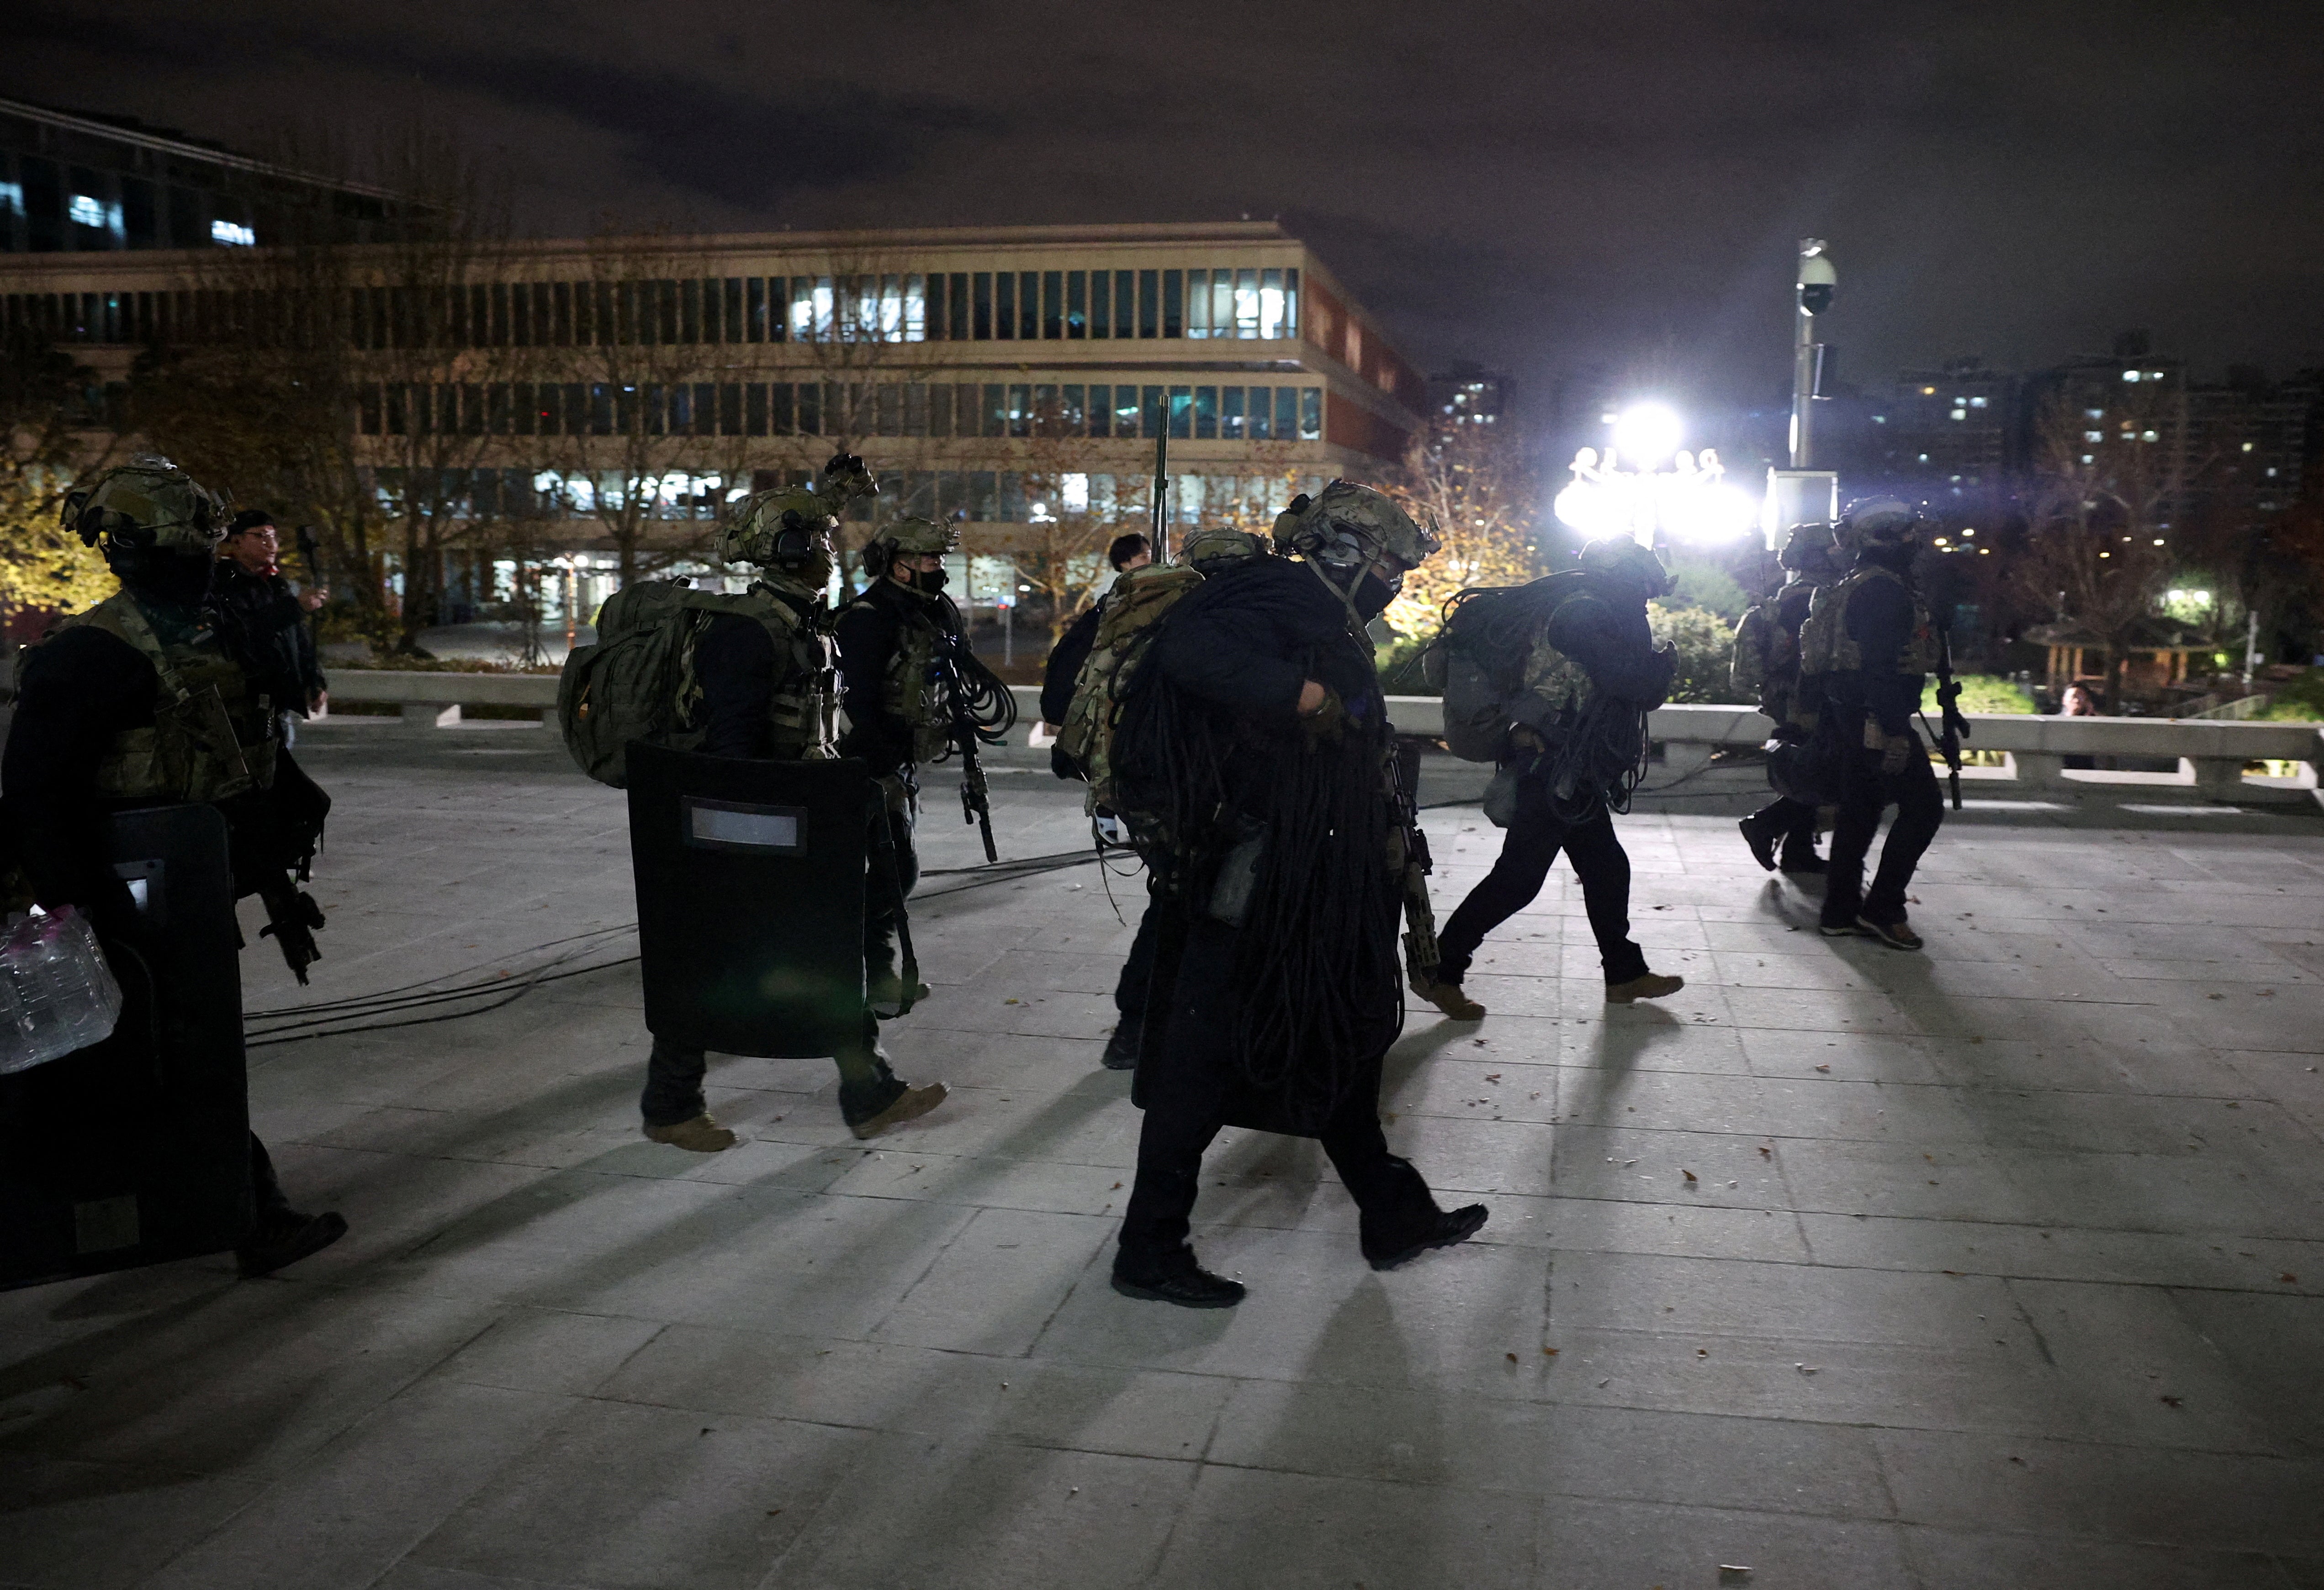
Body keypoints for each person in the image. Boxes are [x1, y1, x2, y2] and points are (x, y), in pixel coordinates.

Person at [1105, 481, 1487, 1308]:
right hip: (1253, 881)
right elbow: (1192, 655)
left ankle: (1393, 1214)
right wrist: (1301, 696)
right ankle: (1148, 1246)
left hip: (1307, 874)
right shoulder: (1277, 590)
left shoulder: (1312, 607)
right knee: (1200, 1062)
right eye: (1388, 566)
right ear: (1344, 552)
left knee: (1339, 1030)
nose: (1394, 584)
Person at [0, 455, 344, 1277]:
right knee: (168, 1057)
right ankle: (236, 1213)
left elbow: (243, 755)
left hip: (187, 889)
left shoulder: (216, 631)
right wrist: (78, 919)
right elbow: (36, 797)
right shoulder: (90, 654)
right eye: (183, 548)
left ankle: (234, 1207)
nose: (198, 563)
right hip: (122, 901)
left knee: (191, 1051)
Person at [635, 459, 947, 1147]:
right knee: (727, 965)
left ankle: (861, 1093)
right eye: (822, 542)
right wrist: (776, 827)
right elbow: (732, 752)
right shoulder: (747, 631)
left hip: (796, 822)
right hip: (754, 833)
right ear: (792, 551)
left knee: (803, 959)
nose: (832, 552)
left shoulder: (797, 618)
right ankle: (673, 1105)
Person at [1410, 538, 1689, 1020]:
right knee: (1518, 880)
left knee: (1605, 866)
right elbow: (1632, 683)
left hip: (1569, 763)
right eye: (1644, 589)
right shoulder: (1581, 614)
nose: (1645, 600)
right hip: (1550, 761)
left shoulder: (1584, 607)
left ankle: (1623, 973)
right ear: (1624, 576)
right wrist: (1663, 663)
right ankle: (1440, 970)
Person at [833, 513, 976, 1016]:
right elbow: (854, 704)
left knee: (895, 870)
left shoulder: (927, 612)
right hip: (862, 769)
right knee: (893, 870)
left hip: (895, 764)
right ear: (898, 567)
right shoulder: (867, 618)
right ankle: (869, 978)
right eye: (928, 559)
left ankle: (877, 977)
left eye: (940, 558)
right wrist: (880, 770)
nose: (938, 567)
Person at [1795, 498, 1943, 951]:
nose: (1913, 543)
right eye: (1905, 534)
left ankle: (1839, 912)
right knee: (1923, 809)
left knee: (1859, 814)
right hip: (1875, 718)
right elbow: (1879, 666)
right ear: (1882, 536)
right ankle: (1882, 907)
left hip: (1849, 714)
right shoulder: (1882, 590)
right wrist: (1894, 729)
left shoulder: (1854, 582)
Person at [1733, 525, 1841, 875]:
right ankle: (1764, 824)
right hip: (1805, 697)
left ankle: (1796, 851)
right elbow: (1809, 656)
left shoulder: (1796, 593)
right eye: (1833, 550)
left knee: (1813, 769)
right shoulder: (1808, 597)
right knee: (1823, 770)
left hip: (1794, 695)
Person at [1038, 532, 1152, 751]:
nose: (1152, 561)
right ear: (1125, 563)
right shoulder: (1122, 599)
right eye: (1145, 556)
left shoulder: (1123, 596)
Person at [213, 510, 327, 724]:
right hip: (244, 703)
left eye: (274, 537)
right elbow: (243, 631)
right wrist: (295, 607)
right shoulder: (225, 582)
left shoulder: (275, 583)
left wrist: (315, 680)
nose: (271, 544)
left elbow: (298, 637)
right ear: (237, 541)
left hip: (279, 705)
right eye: (262, 536)